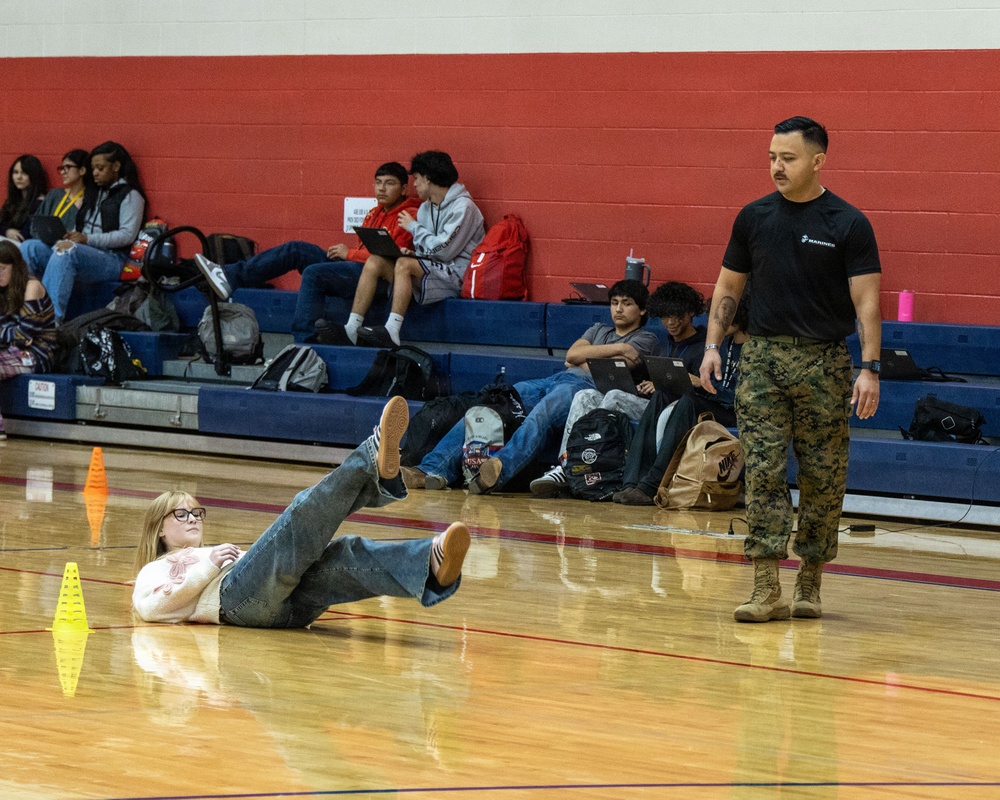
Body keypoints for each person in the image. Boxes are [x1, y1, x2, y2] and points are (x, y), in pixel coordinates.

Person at [700, 116, 881, 623]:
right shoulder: (754, 217)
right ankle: (764, 587)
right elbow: (728, 288)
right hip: (761, 360)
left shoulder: (848, 223)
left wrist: (870, 369)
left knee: (823, 477)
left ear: (818, 160)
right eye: (772, 158)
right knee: (762, 471)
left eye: (789, 158)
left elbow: (867, 303)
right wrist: (713, 344)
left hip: (824, 362)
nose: (777, 167)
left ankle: (810, 581)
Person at [132, 396, 471, 627]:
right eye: (181, 514)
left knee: (344, 553)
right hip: (235, 602)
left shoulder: (212, 553)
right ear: (158, 529)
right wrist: (208, 564)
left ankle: (429, 564)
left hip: (286, 610)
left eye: (196, 513)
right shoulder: (154, 569)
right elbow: (152, 608)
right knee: (301, 513)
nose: (192, 518)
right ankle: (372, 462)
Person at [400, 280, 661, 495]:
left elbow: (603, 366)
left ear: (642, 311)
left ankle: (499, 469)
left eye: (627, 304)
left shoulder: (646, 338)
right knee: (490, 404)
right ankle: (431, 469)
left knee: (541, 416)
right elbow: (571, 356)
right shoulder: (598, 329)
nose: (618, 309)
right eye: (615, 303)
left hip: (586, 390)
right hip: (556, 379)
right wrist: (617, 348)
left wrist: (589, 357)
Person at [192, 162, 422, 342]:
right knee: (296, 249)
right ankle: (230, 277)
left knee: (313, 272)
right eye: (378, 182)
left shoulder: (410, 214)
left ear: (403, 188)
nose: (382, 188)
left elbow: (389, 258)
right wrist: (347, 254)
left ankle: (304, 341)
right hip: (354, 269)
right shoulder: (375, 212)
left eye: (389, 183)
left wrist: (349, 253)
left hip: (377, 279)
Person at [529, 280, 705, 497]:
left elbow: (702, 385)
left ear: (690, 313)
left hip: (671, 409)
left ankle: (597, 463)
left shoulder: (702, 345)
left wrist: (668, 381)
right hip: (644, 399)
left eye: (677, 315)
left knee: (613, 397)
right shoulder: (662, 345)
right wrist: (646, 384)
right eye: (665, 316)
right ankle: (567, 465)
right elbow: (574, 359)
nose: (670, 322)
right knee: (585, 396)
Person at [612, 292, 750, 505]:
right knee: (661, 394)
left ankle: (652, 485)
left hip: (737, 411)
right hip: (719, 402)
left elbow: (741, 398)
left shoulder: (754, 348)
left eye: (724, 316)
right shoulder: (726, 344)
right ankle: (632, 482)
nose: (719, 321)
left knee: (688, 402)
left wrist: (699, 384)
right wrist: (697, 384)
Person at [334, 151, 484, 347]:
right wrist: (415, 254)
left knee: (404, 265)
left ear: (429, 179)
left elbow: (445, 251)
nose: (414, 184)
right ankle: (352, 328)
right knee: (375, 261)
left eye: (417, 179)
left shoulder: (464, 208)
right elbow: (429, 250)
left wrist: (413, 228)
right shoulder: (425, 209)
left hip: (455, 277)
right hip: (433, 271)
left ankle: (392, 331)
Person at [21, 141, 146, 322]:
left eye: (100, 168)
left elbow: (127, 236)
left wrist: (87, 239)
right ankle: (20, 313)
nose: (95, 173)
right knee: (29, 247)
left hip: (113, 259)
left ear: (116, 166)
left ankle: (47, 322)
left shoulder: (131, 195)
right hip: (85, 251)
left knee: (66, 252)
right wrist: (71, 234)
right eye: (93, 168)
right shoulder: (94, 192)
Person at [0, 240, 58, 440]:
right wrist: (11, 335)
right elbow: (15, 336)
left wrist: (12, 336)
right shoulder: (2, 291)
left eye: (2, 268)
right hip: (11, 351)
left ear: (16, 267)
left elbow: (24, 335)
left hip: (39, 353)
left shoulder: (31, 287)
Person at [34, 149, 90, 234]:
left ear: (82, 170)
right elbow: (35, 224)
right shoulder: (54, 194)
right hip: (46, 243)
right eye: (62, 168)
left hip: (71, 244)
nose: (63, 172)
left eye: (68, 167)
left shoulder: (90, 198)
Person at [0, 155, 48, 243]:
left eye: (24, 173)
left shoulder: (40, 203)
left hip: (22, 247)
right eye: (15, 172)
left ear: (34, 176)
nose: (19, 177)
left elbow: (24, 236)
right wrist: (7, 231)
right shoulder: (12, 201)